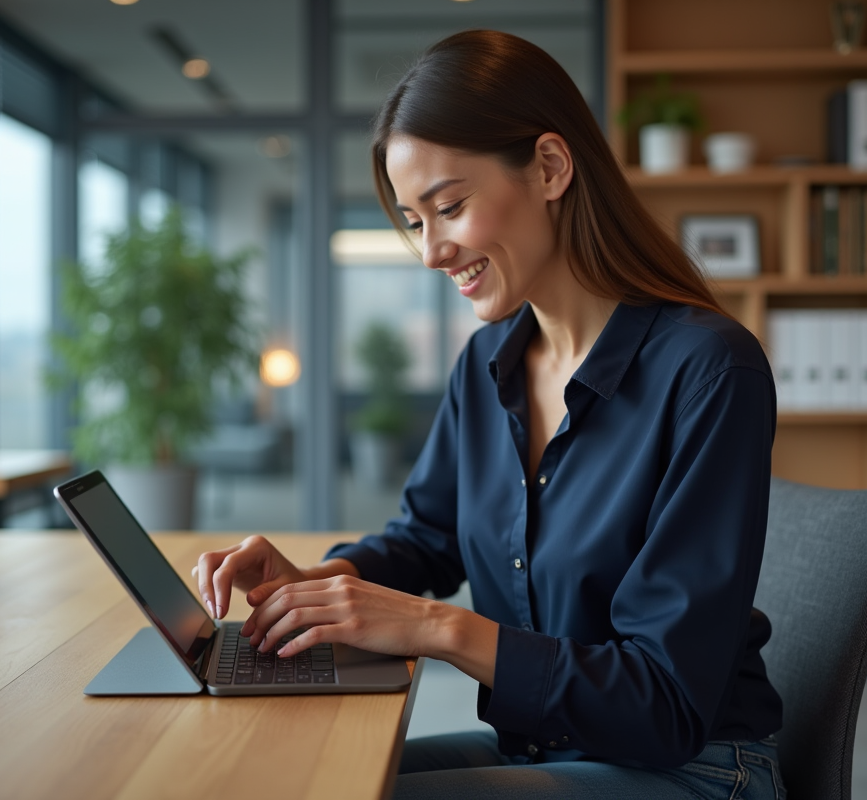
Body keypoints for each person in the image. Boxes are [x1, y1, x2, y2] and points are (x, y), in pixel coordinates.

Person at [194, 30, 785, 800]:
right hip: (549, 750)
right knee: (294, 782)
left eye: (450, 207)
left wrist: (437, 629)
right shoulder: (488, 363)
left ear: (549, 166)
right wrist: (323, 584)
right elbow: (428, 537)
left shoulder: (708, 371)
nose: (432, 250)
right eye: (413, 221)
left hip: (692, 769)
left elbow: (664, 705)